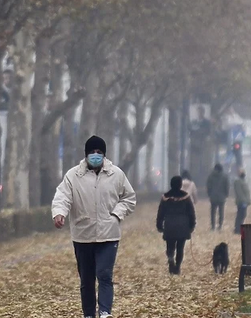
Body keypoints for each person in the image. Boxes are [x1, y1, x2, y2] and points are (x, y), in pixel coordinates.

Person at [52, 135, 136, 318]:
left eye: (99, 152)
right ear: (86, 155)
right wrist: (59, 213)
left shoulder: (117, 174)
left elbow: (129, 198)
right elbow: (63, 197)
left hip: (109, 234)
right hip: (82, 235)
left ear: (104, 155)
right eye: (92, 152)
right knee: (87, 280)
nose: (96, 155)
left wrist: (116, 214)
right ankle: (89, 314)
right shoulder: (73, 176)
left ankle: (105, 312)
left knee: (104, 275)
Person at [156, 176, 196, 275]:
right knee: (180, 248)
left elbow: (161, 212)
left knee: (170, 246)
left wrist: (159, 225)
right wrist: (192, 225)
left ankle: (170, 260)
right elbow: (191, 212)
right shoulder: (186, 197)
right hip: (182, 225)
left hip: (169, 225)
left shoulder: (165, 197)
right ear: (180, 184)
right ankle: (177, 266)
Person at [206, 163, 230, 231]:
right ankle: (220, 226)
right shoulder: (225, 176)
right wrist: (226, 194)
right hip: (222, 197)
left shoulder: (210, 176)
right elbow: (227, 186)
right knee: (221, 212)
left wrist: (209, 194)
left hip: (213, 197)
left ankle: (213, 226)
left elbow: (208, 186)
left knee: (213, 212)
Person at [233, 169, 251, 234]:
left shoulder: (243, 181)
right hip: (241, 202)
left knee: (242, 215)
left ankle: (239, 228)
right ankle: (237, 229)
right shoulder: (238, 182)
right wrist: (244, 201)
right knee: (240, 215)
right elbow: (239, 192)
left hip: (244, 202)